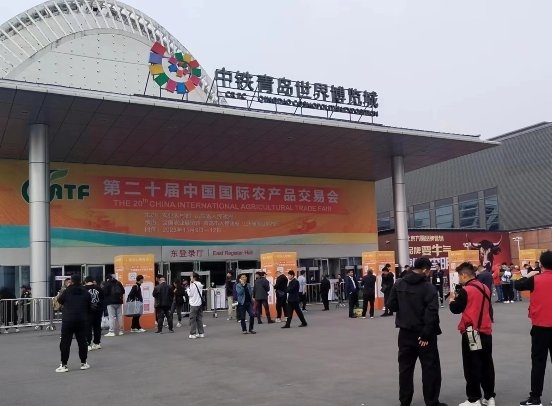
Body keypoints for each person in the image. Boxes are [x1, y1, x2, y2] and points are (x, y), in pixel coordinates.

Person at [386, 257, 447, 406]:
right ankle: (431, 402)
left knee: (405, 369)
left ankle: (405, 401)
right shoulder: (428, 288)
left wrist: (404, 309)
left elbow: (391, 305)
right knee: (430, 368)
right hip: (424, 334)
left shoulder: (399, 283)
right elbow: (432, 313)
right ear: (425, 270)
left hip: (405, 333)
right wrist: (426, 335)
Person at [449, 262, 495, 406]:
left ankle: (474, 399)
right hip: (486, 330)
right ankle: (489, 397)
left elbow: (456, 309)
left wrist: (452, 300)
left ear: (464, 275)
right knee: (487, 364)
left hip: (472, 332)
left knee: (472, 365)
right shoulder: (485, 288)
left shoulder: (466, 290)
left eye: (459, 276)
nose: (459, 279)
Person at [515, 250, 552, 406]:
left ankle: (535, 398)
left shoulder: (535, 279)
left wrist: (529, 274)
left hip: (540, 327)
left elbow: (517, 284)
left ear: (541, 264)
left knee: (538, 363)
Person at [55, 273, 91, 372]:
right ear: (81, 281)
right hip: (81, 320)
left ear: (72, 281)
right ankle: (83, 363)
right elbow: (89, 304)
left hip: (68, 319)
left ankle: (64, 364)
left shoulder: (67, 291)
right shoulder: (85, 292)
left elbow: (60, 300)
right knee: (82, 341)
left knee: (65, 342)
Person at [84, 276, 104, 350]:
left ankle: (88, 344)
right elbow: (102, 298)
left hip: (88, 311)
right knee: (97, 327)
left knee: (88, 327)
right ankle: (97, 343)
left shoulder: (83, 289)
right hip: (98, 310)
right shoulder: (98, 288)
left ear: (85, 281)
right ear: (93, 281)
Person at [186, 272, 204, 339]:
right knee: (199, 319)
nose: (190, 277)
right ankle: (201, 333)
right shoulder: (199, 284)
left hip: (193, 304)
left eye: (191, 276)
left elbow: (190, 294)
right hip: (199, 303)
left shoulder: (193, 284)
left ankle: (193, 333)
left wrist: (188, 289)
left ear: (194, 277)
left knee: (192, 319)